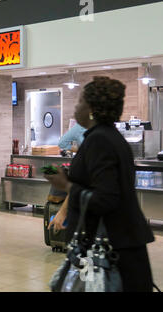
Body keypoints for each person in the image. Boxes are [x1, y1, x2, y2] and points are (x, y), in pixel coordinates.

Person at [44, 77, 155, 292]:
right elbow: (95, 180)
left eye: (79, 102)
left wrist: (66, 186)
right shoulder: (108, 137)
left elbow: (106, 198)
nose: (76, 107)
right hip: (123, 246)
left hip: (112, 253)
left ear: (92, 108)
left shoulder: (99, 140)